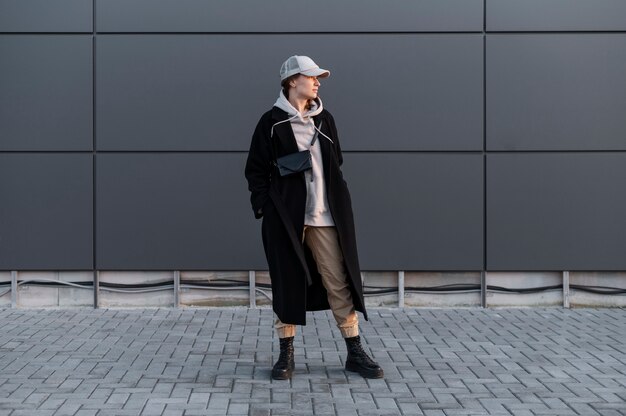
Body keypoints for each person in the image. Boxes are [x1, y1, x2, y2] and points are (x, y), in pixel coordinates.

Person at [245, 55, 383, 380]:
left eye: (319, 77)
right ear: (292, 80)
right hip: (287, 221)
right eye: (312, 76)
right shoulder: (271, 123)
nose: (318, 82)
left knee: (339, 281)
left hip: (325, 217)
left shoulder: (326, 120)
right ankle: (286, 354)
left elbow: (337, 162)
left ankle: (354, 351)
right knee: (286, 282)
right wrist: (267, 207)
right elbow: (255, 171)